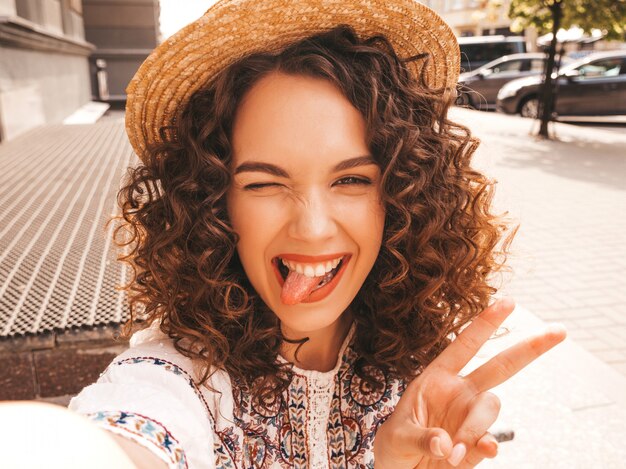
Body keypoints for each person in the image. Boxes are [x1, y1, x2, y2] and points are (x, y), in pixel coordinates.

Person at [2, 1, 565, 468]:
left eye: (350, 179)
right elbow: (110, 442)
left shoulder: (416, 370)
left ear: (402, 197)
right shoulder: (180, 383)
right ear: (213, 205)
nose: (314, 228)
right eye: (265, 185)